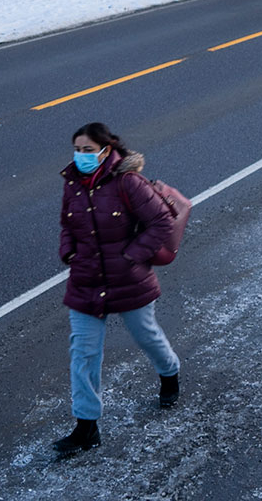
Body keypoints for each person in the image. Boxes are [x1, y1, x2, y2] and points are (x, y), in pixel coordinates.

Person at [53, 122, 181, 457]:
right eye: (77, 150)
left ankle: (169, 372)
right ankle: (86, 427)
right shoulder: (73, 184)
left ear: (106, 150)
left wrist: (131, 256)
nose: (81, 156)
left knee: (145, 335)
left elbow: (162, 222)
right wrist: (68, 251)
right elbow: (68, 223)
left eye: (88, 150)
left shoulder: (129, 181)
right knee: (83, 354)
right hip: (86, 280)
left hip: (127, 278)